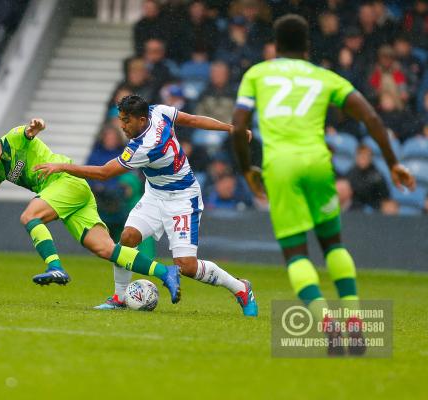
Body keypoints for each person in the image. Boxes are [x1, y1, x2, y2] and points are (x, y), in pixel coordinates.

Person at [231, 14, 416, 355]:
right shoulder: (325, 77)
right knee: (333, 245)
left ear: (275, 45)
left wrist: (246, 170)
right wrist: (393, 164)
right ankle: (355, 322)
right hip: (319, 163)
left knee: (296, 253)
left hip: (280, 167)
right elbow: (372, 118)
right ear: (307, 46)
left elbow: (238, 125)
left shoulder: (257, 73)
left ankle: (326, 322)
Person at [33, 95, 258, 316]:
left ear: (141, 120)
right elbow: (191, 120)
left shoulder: (146, 146)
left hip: (182, 199)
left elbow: (104, 173)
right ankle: (120, 297)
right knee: (127, 238)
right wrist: (232, 129)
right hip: (154, 195)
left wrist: (63, 167)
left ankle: (241, 289)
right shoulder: (158, 111)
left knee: (186, 266)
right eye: (120, 119)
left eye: (126, 121)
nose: (121, 126)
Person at [0, 119, 181, 304]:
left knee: (30, 216)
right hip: (74, 193)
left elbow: (29, 131)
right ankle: (165, 271)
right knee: (105, 249)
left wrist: (35, 127)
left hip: (64, 181)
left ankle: (55, 266)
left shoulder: (14, 138)